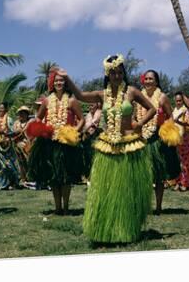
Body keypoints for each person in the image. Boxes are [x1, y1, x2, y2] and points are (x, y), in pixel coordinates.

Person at [59, 54, 156, 244]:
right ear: (107, 75)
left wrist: (140, 124)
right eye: (113, 73)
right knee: (109, 190)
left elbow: (152, 108)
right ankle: (110, 228)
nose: (117, 76)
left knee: (128, 189)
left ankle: (129, 227)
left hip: (129, 144)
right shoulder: (101, 95)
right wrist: (67, 78)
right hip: (108, 145)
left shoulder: (132, 92)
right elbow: (80, 96)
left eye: (120, 73)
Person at [27, 70, 85, 214]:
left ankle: (66, 208)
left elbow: (82, 120)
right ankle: (57, 207)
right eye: (56, 81)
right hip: (50, 143)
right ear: (52, 83)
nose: (59, 83)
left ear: (66, 83)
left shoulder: (71, 100)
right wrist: (41, 128)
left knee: (65, 177)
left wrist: (73, 132)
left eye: (61, 80)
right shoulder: (47, 100)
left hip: (67, 144)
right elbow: (38, 118)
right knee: (54, 177)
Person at [136, 70, 180, 214]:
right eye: (146, 79)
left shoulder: (162, 98)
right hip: (142, 139)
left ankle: (159, 206)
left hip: (157, 140)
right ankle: (144, 205)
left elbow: (170, 116)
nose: (148, 81)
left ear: (156, 82)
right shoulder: (138, 97)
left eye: (151, 79)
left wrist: (166, 130)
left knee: (159, 175)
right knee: (143, 176)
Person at [0, 102, 20, 190]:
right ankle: (3, 185)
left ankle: (12, 183)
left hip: (7, 145)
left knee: (9, 165)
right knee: (0, 166)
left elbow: (14, 132)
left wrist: (5, 134)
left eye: (2, 108)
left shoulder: (9, 120)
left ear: (6, 109)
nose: (0, 110)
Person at [12, 106, 35, 189]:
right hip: (18, 145)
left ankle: (31, 178)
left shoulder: (31, 122)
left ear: (27, 114)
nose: (21, 115)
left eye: (23, 113)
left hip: (29, 145)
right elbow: (15, 133)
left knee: (30, 161)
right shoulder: (16, 123)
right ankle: (23, 179)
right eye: (20, 113)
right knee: (20, 163)